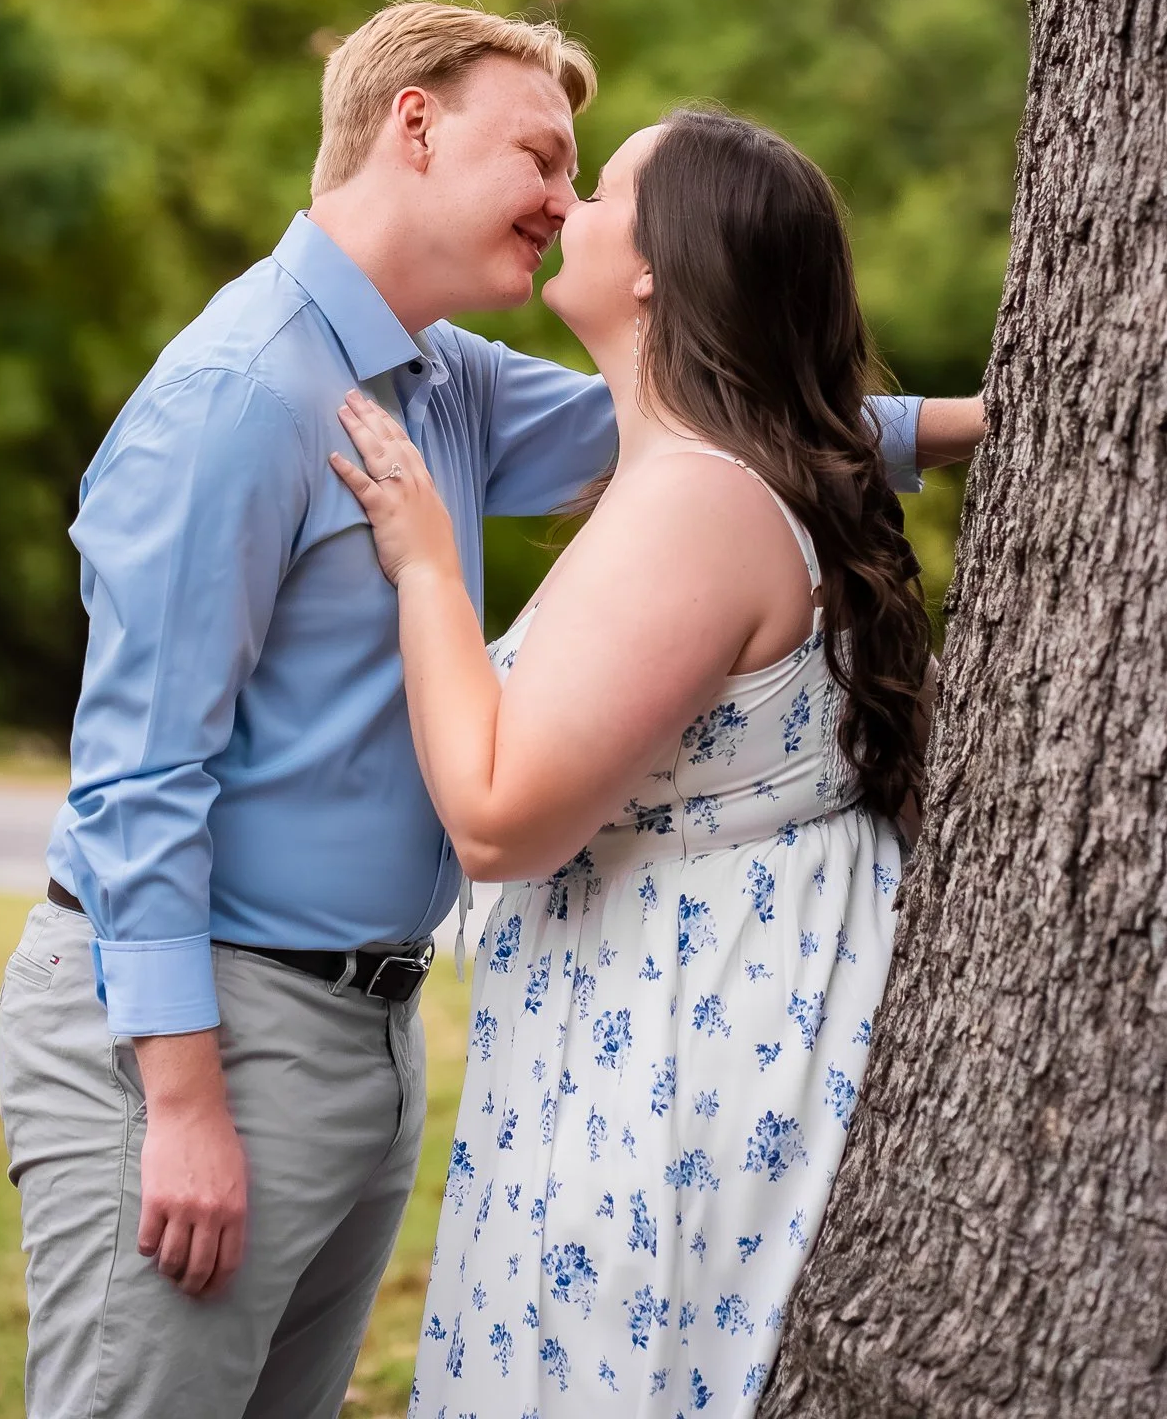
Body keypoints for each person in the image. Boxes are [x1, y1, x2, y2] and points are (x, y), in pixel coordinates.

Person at [0, 2, 978, 1419]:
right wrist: (185, 1101)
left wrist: (1014, 411)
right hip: (207, 1032)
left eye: (585, 181)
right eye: (543, 156)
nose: (563, 201)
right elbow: (138, 775)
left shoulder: (444, 383)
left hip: (364, 1038)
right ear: (415, 125)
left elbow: (734, 422)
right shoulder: (237, 393)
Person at [333, 106, 938, 1417]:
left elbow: (500, 821)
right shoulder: (721, 474)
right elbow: (847, 422)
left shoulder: (697, 504)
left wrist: (430, 571)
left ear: (659, 266)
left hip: (669, 1056)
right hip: (667, 1019)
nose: (569, 212)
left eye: (601, 193)